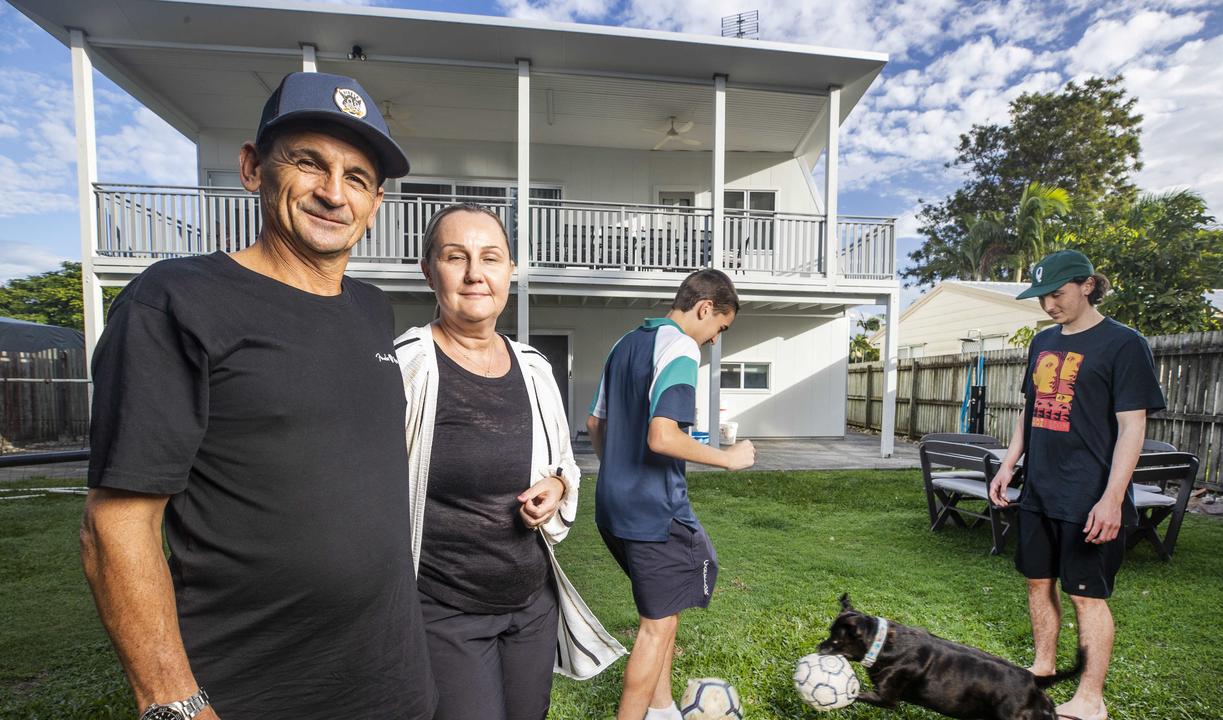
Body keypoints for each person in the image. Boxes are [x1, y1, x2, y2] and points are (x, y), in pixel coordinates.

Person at [81, 72, 435, 719]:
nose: (333, 192)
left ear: (376, 202)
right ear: (252, 168)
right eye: (309, 163)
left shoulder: (372, 311)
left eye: (357, 177)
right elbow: (116, 526)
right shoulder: (177, 301)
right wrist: (173, 704)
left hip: (391, 683)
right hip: (252, 692)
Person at [395, 203, 625, 720]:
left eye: (491, 258)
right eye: (456, 257)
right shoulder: (406, 367)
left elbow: (564, 462)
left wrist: (558, 490)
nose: (476, 273)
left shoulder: (535, 367)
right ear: (429, 270)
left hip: (531, 605)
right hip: (444, 610)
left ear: (510, 272)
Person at [989, 249, 1165, 720]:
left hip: (1090, 495)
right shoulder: (1042, 342)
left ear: (1088, 285)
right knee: (1036, 583)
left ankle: (1090, 699)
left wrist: (1111, 500)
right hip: (1040, 490)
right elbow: (1030, 408)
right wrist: (1010, 463)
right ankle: (1043, 669)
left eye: (1058, 294)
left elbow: (1132, 426)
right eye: (1043, 297)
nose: (1049, 305)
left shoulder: (1124, 344)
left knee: (1087, 596)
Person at [586, 269, 757, 720]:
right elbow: (662, 437)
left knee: (665, 611)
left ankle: (662, 710)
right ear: (705, 308)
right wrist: (729, 457)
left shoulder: (624, 344)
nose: (716, 340)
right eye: (721, 328)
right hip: (653, 513)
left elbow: (594, 425)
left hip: (611, 507)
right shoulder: (681, 348)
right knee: (656, 626)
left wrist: (619, 473)